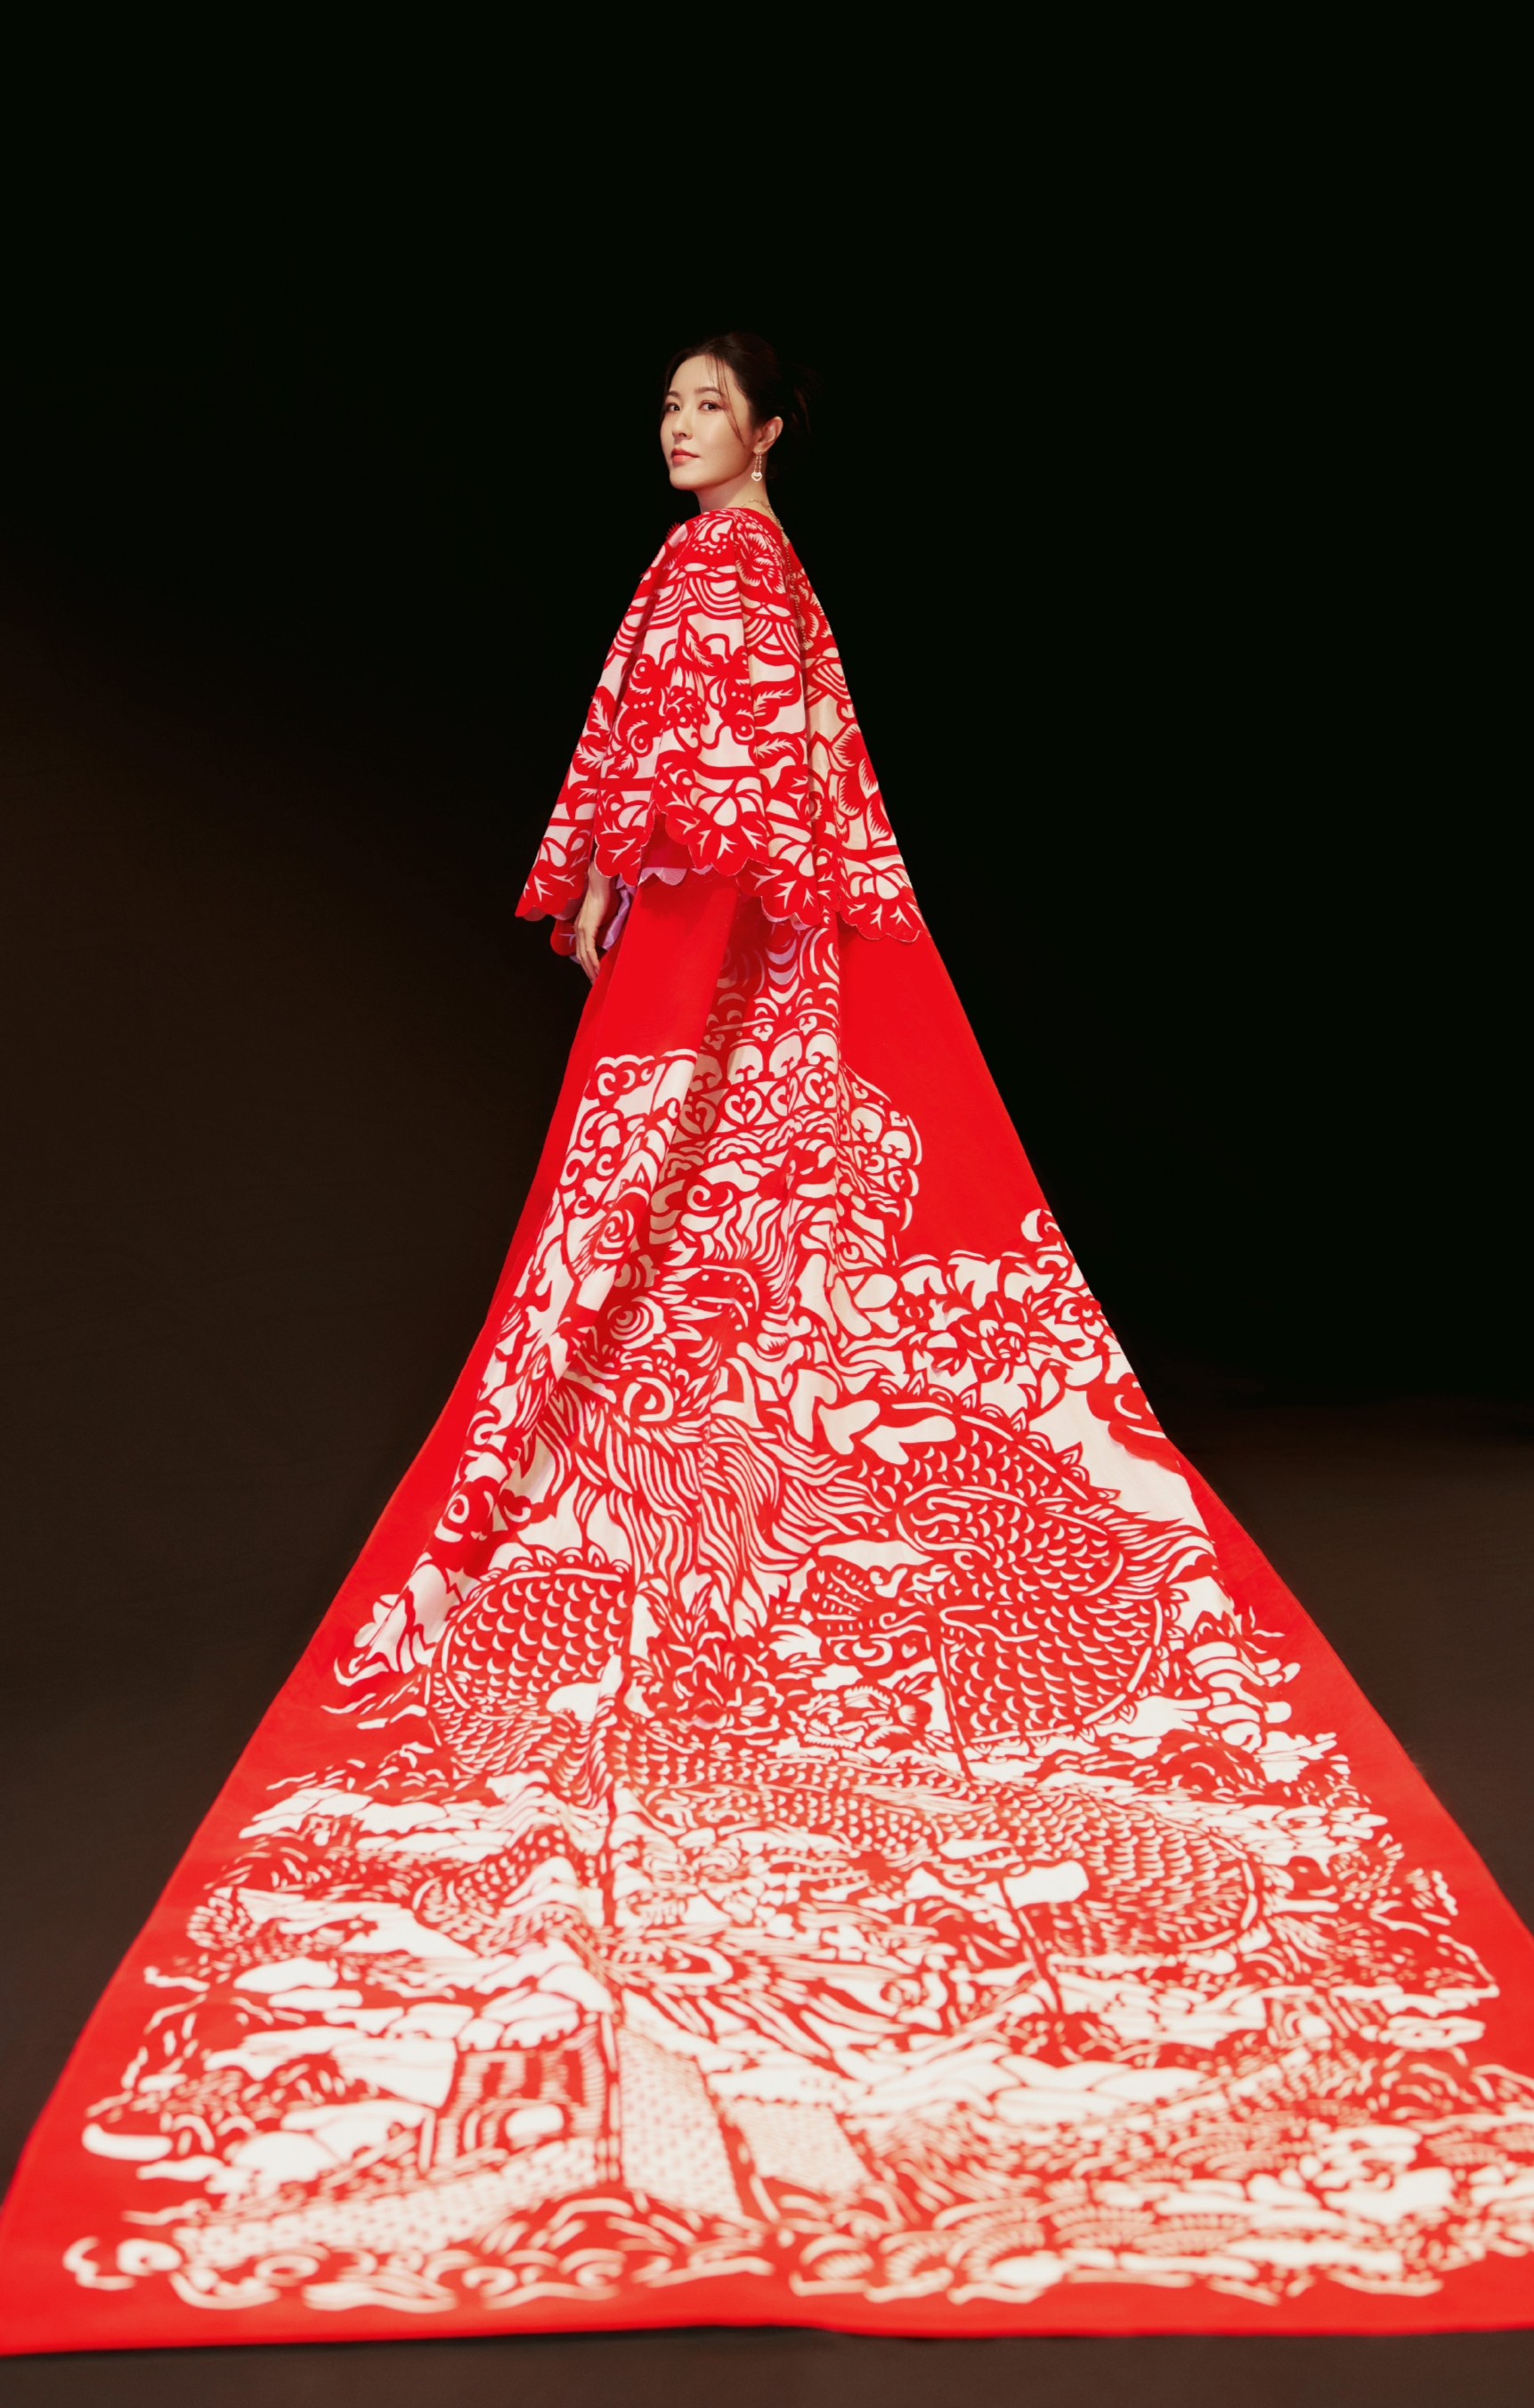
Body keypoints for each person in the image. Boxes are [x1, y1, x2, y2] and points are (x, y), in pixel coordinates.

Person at [4, 333, 1531, 2355]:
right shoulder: (765, 574)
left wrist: (622, 912)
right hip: (762, 945)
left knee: (627, 1269)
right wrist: (635, 877)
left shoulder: (725, 569)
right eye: (666, 407)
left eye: (707, 407)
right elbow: (779, 783)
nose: (677, 429)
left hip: (706, 943)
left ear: (773, 428)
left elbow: (700, 784)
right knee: (771, 1283)